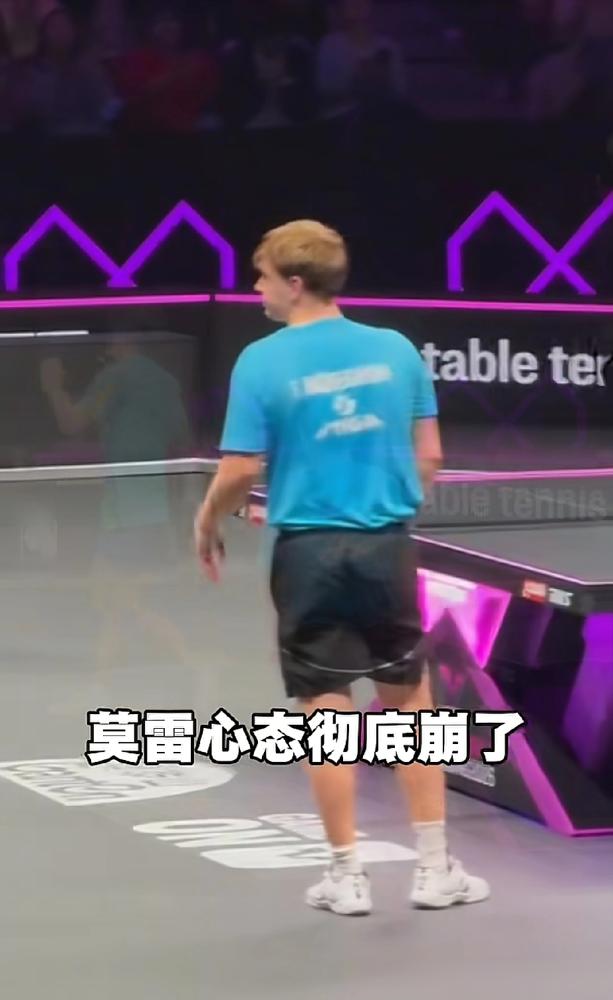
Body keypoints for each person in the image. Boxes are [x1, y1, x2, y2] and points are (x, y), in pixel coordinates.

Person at [193, 220, 490, 916]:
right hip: (387, 548)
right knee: (407, 701)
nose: (256, 288)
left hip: (307, 555)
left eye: (263, 276)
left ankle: (347, 876)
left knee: (325, 708)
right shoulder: (395, 350)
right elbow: (430, 456)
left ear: (295, 284)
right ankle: (434, 869)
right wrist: (383, 503)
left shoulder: (259, 362)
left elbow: (239, 470)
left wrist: (207, 520)